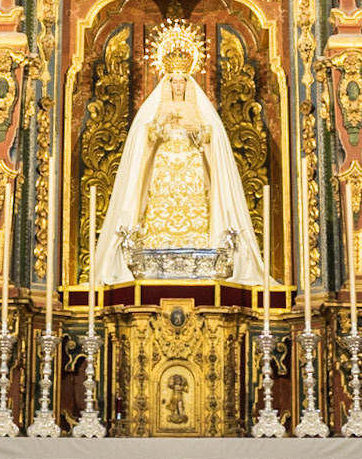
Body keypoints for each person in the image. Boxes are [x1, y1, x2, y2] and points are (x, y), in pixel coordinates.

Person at [94, 21, 261, 284]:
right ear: (167, 83)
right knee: (160, 201)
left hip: (191, 163)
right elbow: (145, 138)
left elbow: (210, 137)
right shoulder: (157, 107)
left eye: (183, 81)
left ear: (188, 83)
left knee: (195, 203)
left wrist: (198, 132)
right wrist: (160, 126)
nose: (179, 86)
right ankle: (155, 249)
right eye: (174, 81)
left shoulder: (198, 107)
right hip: (164, 163)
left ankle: (200, 251)